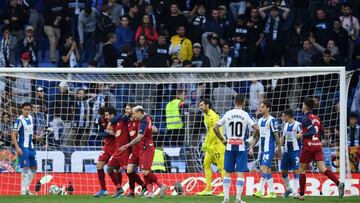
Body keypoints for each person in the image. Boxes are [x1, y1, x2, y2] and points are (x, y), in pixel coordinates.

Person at [296, 98, 344, 200]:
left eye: (303, 104)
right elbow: (321, 131)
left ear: (305, 106)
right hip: (317, 145)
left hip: (308, 146)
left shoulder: (305, 118)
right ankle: (338, 183)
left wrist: (302, 135)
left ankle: (301, 194)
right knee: (323, 169)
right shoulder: (317, 118)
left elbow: (312, 131)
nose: (302, 106)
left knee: (302, 169)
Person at [214, 95, 259, 203]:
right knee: (240, 173)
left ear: (234, 101)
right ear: (243, 102)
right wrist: (251, 138)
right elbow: (257, 128)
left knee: (227, 172)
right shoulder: (245, 114)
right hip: (241, 147)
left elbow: (215, 127)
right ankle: (238, 199)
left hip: (229, 146)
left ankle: (226, 198)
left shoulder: (228, 113)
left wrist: (223, 140)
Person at [119, 106, 167, 198]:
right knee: (143, 171)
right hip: (142, 148)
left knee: (145, 172)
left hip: (146, 148)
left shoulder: (143, 122)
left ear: (138, 112)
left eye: (133, 113)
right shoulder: (145, 118)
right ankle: (150, 192)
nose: (133, 115)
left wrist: (127, 145)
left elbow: (140, 137)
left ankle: (162, 185)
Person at [250, 101, 281, 198]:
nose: (261, 108)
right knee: (267, 170)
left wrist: (279, 148)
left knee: (263, 168)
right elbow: (257, 136)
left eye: (263, 107)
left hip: (269, 149)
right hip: (261, 150)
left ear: (268, 108)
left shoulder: (272, 120)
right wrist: (251, 146)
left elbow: (276, 135)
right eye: (260, 106)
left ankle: (259, 190)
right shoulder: (259, 121)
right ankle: (272, 193)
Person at [197, 98, 225, 196]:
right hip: (210, 146)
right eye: (200, 105)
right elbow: (209, 131)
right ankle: (208, 189)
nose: (200, 107)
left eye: (202, 105)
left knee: (221, 168)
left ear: (207, 105)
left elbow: (214, 133)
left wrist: (207, 144)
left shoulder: (213, 116)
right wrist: (206, 142)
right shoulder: (205, 115)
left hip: (217, 145)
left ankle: (225, 191)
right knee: (206, 165)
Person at [11, 102, 39, 195]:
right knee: (26, 167)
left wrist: (36, 136)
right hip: (23, 146)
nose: (27, 111)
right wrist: (17, 147)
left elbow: (30, 132)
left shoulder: (31, 118)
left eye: (28, 109)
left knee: (34, 167)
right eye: (25, 109)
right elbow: (13, 134)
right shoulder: (19, 120)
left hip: (31, 146)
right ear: (22, 110)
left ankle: (27, 188)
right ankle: (23, 190)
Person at [104, 107, 129, 198]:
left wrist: (111, 123)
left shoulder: (122, 120)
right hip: (118, 150)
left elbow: (122, 116)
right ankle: (119, 189)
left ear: (112, 115)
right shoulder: (114, 123)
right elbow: (105, 133)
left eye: (107, 115)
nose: (105, 117)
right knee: (110, 168)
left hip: (125, 149)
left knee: (128, 171)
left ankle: (142, 186)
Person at [94, 107, 115, 197]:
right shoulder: (100, 120)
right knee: (99, 165)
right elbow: (100, 133)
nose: (104, 117)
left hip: (117, 146)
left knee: (118, 169)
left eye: (104, 115)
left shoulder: (116, 120)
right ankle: (103, 190)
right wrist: (108, 133)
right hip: (107, 145)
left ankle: (120, 189)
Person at [280, 109, 302, 198]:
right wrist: (278, 147)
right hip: (286, 151)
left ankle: (295, 192)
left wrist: (295, 136)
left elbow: (301, 134)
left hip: (295, 151)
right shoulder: (285, 125)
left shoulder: (297, 125)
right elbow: (283, 137)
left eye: (284, 116)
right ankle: (289, 188)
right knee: (283, 172)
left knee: (296, 170)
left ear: (288, 116)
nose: (283, 117)